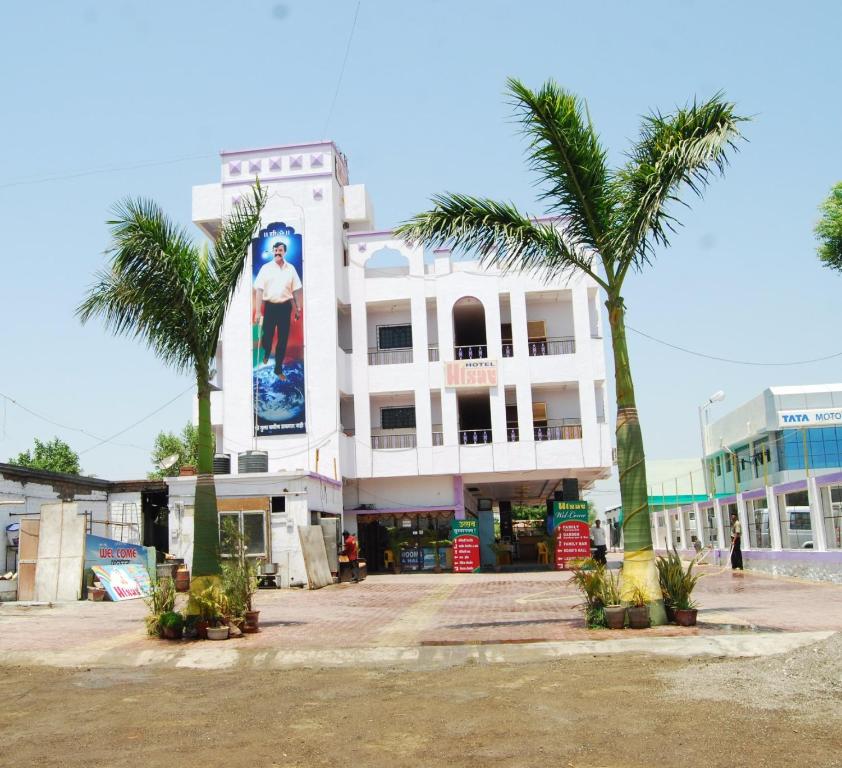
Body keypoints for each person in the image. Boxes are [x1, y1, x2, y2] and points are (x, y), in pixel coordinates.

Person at [253, 241, 303, 381]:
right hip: (270, 307)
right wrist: (258, 311)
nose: (277, 252)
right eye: (275, 250)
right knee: (267, 335)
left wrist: (297, 308)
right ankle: (267, 351)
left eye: (280, 250)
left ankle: (278, 369)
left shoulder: (291, 269)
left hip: (285, 307)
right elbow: (259, 290)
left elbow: (295, 290)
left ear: (284, 252)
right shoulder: (266, 268)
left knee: (282, 340)